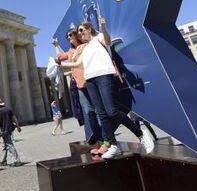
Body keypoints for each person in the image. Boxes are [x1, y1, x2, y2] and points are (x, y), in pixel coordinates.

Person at [60, 18, 154, 159]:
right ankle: (113, 145)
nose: (79, 34)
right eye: (78, 33)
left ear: (89, 29)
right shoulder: (84, 48)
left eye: (81, 30)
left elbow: (108, 41)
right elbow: (78, 63)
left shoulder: (98, 38)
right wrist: (60, 66)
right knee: (101, 114)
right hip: (90, 79)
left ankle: (140, 133)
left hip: (103, 75)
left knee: (112, 111)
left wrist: (103, 26)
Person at [52, 28, 102, 145]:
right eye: (67, 37)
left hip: (89, 80)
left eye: (70, 35)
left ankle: (107, 138)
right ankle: (99, 140)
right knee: (89, 112)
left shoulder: (86, 46)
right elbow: (60, 57)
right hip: (79, 84)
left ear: (76, 35)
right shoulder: (70, 51)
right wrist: (56, 45)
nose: (69, 38)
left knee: (98, 110)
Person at [0, 98, 22, 166]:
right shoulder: (9, 109)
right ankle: (3, 161)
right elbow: (14, 118)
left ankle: (17, 161)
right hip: (10, 129)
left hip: (3, 130)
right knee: (5, 145)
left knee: (9, 145)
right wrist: (18, 126)